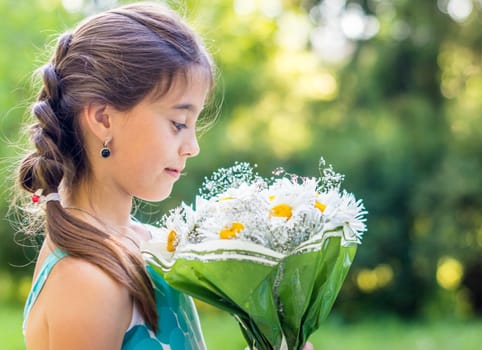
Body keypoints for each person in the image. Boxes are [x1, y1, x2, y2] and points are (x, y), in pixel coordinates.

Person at [17, 2, 315, 349]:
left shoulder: (150, 245)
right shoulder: (87, 281)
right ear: (103, 118)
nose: (192, 146)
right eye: (178, 124)